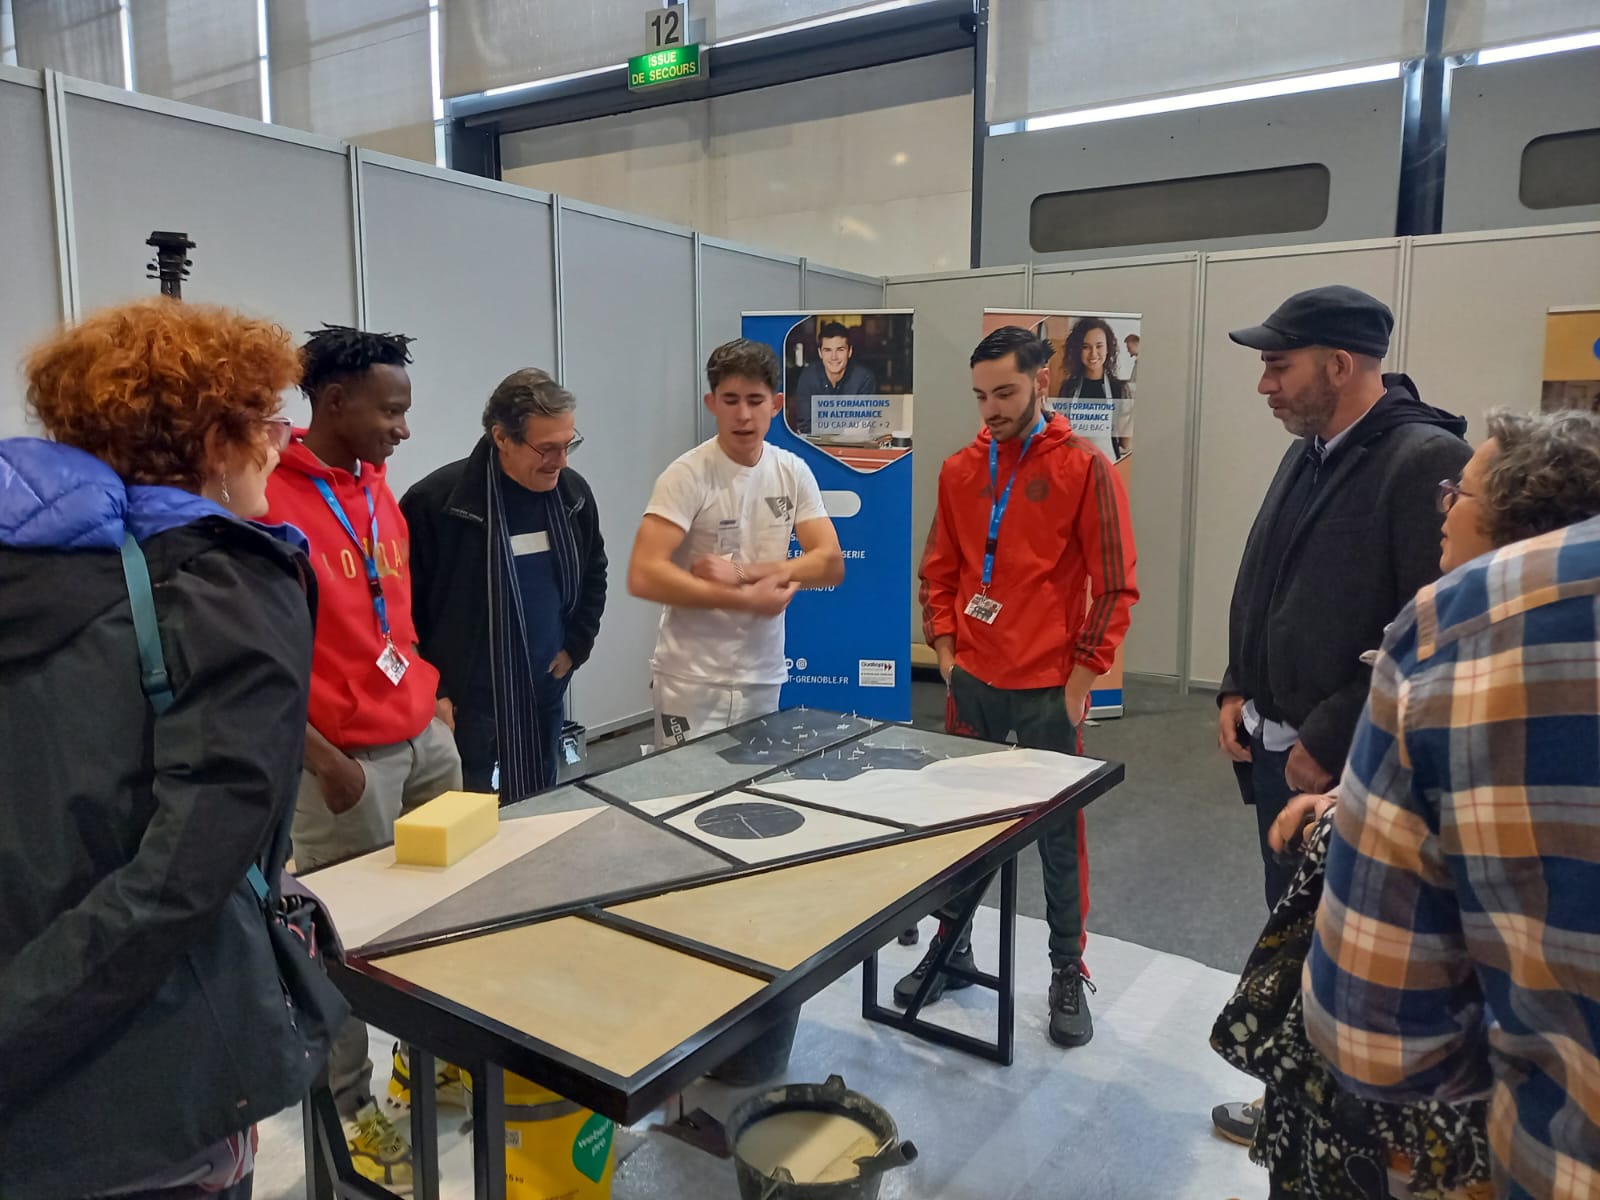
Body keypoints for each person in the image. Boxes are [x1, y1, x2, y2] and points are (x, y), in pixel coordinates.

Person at [1214, 410, 1600, 1199]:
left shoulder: (1447, 635)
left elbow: (1375, 1033)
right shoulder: (1306, 459)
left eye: (1459, 492)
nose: (1443, 505)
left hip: (1511, 1149)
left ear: (1522, 512)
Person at [0, 299, 317, 1199]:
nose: (280, 447)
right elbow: (177, 878)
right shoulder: (221, 585)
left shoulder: (33, 571)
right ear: (215, 443)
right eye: (266, 423)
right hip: (136, 1070)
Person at [1211, 284, 1472, 1145]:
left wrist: (1330, 737)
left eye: (1278, 366)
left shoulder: (1422, 459)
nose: (1265, 385)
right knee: (1291, 925)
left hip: (1342, 765)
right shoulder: (1314, 448)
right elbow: (1268, 576)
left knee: (1343, 947)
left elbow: (1429, 631)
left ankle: (1332, 1129)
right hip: (1274, 744)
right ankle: (1294, 1099)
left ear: (1340, 364)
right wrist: (1235, 685)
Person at [264, 324, 463, 1190]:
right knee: (344, 943)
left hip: (423, 737)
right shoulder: (269, 500)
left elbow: (394, 608)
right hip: (345, 763)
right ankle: (350, 1105)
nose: (404, 429)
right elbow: (257, 658)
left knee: (441, 912)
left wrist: (429, 692)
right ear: (335, 403)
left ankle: (429, 1057)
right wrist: (318, 757)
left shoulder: (377, 486)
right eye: (391, 412)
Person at [911, 325, 1139, 1048]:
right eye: (980, 396)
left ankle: (1068, 968)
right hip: (973, 682)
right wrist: (947, 652)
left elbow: (1116, 585)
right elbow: (939, 570)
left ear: (1041, 381)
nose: (991, 409)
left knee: (1057, 839)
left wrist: (1081, 680)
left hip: (1049, 690)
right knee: (962, 828)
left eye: (1005, 392)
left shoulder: (1085, 467)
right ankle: (952, 949)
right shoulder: (959, 469)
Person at [629, 337, 844, 747]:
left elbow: (830, 563)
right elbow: (644, 573)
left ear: (776, 404)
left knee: (757, 785)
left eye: (754, 400)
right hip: (691, 678)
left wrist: (747, 573)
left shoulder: (792, 471)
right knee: (683, 784)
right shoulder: (686, 475)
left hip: (762, 675)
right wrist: (744, 598)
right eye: (730, 400)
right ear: (711, 403)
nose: (743, 415)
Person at [402, 369, 607, 799]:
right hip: (464, 705)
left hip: (542, 690)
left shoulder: (572, 496)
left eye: (568, 444)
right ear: (501, 438)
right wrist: (434, 691)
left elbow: (593, 572)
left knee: (536, 807)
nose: (561, 461)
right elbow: (403, 610)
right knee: (469, 816)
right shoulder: (437, 504)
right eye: (547, 448)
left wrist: (576, 647)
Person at [1054, 316, 1128, 462]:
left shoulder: (1118, 389)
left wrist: (1131, 414)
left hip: (1108, 466)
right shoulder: (1068, 388)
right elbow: (1060, 435)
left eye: (1099, 346)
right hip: (1075, 467)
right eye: (1086, 347)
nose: (1093, 353)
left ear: (1108, 348)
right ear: (1078, 350)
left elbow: (1125, 443)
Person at [785, 320, 878, 435]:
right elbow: (806, 426)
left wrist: (823, 426)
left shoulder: (864, 378)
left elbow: (862, 426)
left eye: (840, 350)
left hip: (853, 444)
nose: (834, 357)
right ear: (820, 353)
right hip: (815, 444)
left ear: (849, 352)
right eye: (827, 350)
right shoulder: (809, 377)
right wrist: (845, 428)